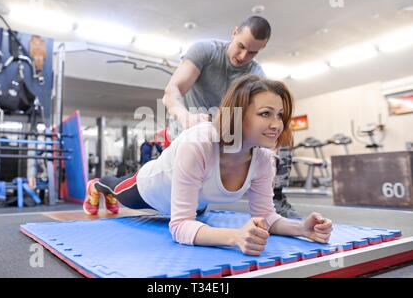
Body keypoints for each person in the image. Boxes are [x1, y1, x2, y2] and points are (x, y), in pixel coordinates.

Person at [83, 75, 332, 255]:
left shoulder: (264, 160)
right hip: (151, 190)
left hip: (195, 205)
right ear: (238, 113)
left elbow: (265, 216)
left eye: (280, 115)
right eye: (265, 114)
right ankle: (96, 185)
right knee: (115, 187)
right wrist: (235, 237)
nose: (277, 124)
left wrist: (301, 229)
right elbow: (179, 227)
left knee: (197, 215)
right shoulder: (199, 143)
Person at [162, 15, 299, 218]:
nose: (243, 56)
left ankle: (276, 198)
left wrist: (271, 143)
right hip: (190, 129)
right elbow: (172, 91)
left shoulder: (256, 72)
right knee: (171, 202)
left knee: (282, 140)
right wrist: (185, 117)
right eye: (241, 46)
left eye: (252, 52)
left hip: (224, 133)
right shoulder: (206, 50)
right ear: (234, 33)